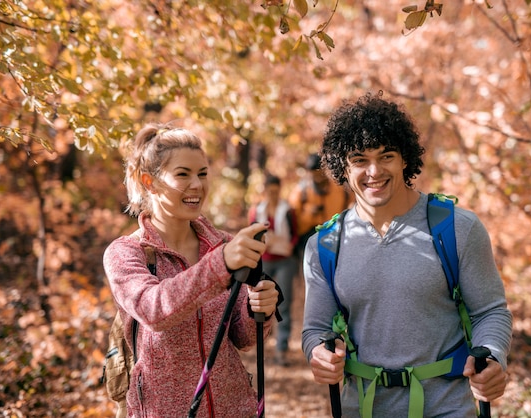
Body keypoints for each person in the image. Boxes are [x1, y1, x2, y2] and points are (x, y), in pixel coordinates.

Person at [301, 92, 513, 417]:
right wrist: (318, 353)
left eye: (386, 156)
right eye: (359, 159)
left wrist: (494, 355)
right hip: (362, 407)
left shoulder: (457, 228)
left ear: (404, 159)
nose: (374, 171)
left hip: (447, 407)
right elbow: (315, 328)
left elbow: (490, 311)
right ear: (342, 167)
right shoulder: (325, 245)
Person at [103, 123, 280, 418]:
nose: (196, 185)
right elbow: (154, 310)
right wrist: (221, 264)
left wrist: (257, 308)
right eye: (183, 174)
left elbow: (245, 339)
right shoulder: (126, 253)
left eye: (202, 173)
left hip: (234, 408)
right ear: (149, 182)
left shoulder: (221, 244)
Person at [248, 173, 299, 366]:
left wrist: (288, 245)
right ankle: (262, 345)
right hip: (265, 260)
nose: (273, 194)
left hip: (285, 260)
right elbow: (251, 233)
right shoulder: (257, 211)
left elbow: (295, 234)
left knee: (284, 303)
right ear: (265, 191)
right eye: (270, 191)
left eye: (276, 191)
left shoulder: (288, 210)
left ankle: (281, 349)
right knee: (261, 303)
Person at [288, 153, 353, 259]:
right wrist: (310, 213)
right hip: (309, 237)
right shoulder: (301, 192)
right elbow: (295, 224)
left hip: (336, 235)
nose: (317, 177)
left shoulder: (340, 189)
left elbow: (352, 206)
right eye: (314, 174)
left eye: (319, 173)